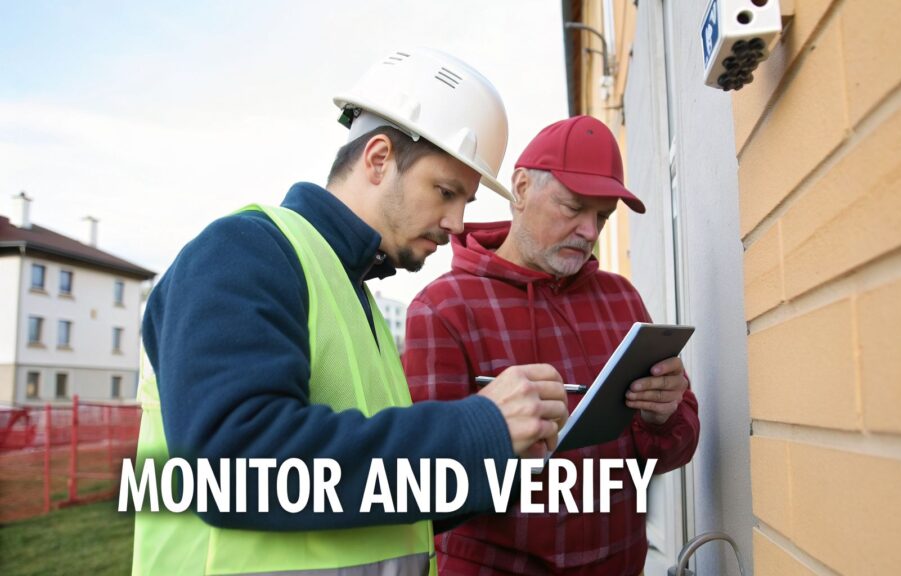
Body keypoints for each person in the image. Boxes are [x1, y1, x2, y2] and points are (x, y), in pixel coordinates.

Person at [131, 48, 570, 576]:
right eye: (446, 191)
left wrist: (499, 459)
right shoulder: (244, 251)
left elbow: (374, 495)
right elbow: (233, 469)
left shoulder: (350, 293)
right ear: (379, 158)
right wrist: (476, 430)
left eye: (466, 203)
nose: (456, 222)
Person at [404, 115, 701, 575]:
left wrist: (661, 418)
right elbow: (426, 486)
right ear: (520, 188)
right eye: (573, 207)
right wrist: (492, 434)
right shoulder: (443, 307)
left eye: (602, 217)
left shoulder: (623, 300)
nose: (589, 231)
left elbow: (676, 451)